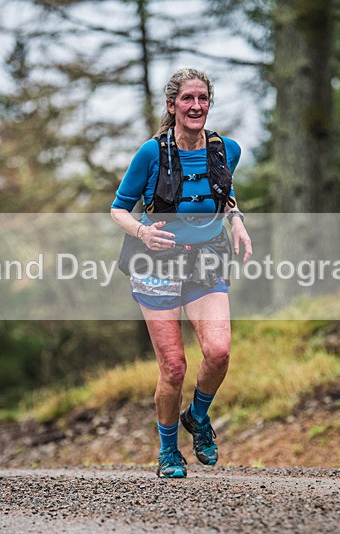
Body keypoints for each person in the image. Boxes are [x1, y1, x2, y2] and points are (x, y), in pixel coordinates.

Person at [110, 67, 252, 478]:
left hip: (206, 257)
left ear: (209, 103)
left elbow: (223, 191)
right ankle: (169, 451)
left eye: (202, 99)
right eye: (187, 99)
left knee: (219, 351)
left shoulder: (227, 149)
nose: (195, 106)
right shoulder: (151, 153)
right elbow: (118, 208)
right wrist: (142, 232)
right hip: (156, 260)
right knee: (174, 367)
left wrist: (237, 220)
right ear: (172, 106)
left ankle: (199, 417)